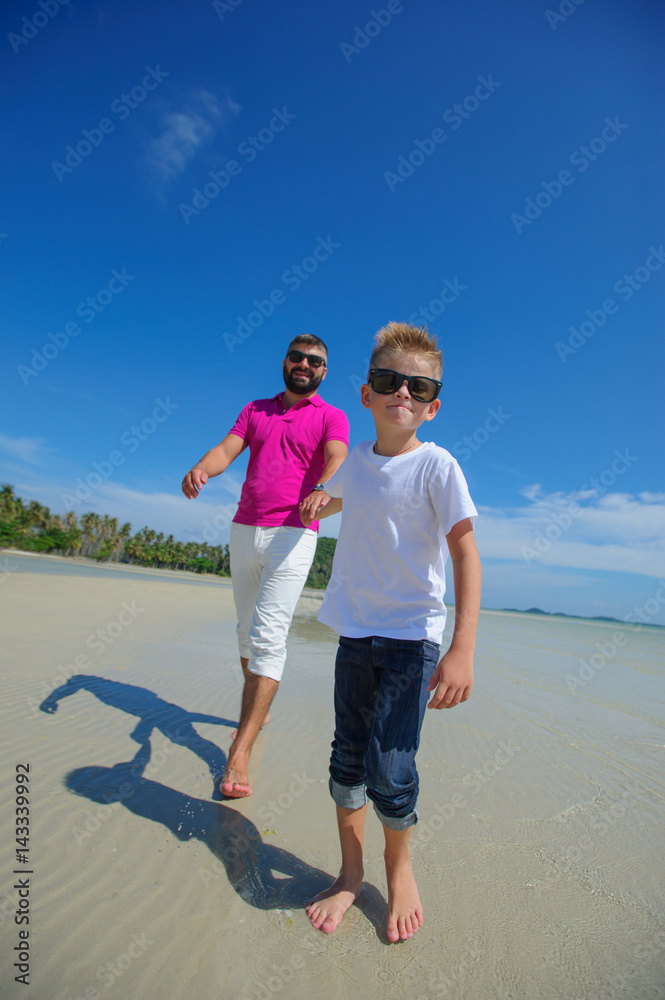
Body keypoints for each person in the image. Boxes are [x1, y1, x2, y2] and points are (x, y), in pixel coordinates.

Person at [299, 322, 481, 943]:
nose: (401, 392)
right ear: (367, 393)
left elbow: (466, 556)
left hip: (413, 639)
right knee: (347, 759)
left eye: (417, 385)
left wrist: (462, 648)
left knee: (392, 766)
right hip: (354, 633)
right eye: (387, 380)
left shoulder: (438, 465)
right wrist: (317, 500)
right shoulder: (356, 466)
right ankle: (350, 875)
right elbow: (334, 494)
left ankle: (397, 870)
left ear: (432, 406)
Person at [182, 335, 349, 798]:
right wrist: (202, 467)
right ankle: (259, 706)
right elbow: (226, 449)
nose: (305, 365)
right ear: (285, 362)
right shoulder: (256, 409)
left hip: (294, 534)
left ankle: (241, 751)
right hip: (244, 528)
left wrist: (323, 484)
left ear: (323, 372)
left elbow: (338, 456)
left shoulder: (331, 416)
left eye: (315, 361)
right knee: (244, 631)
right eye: (298, 357)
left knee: (269, 635)